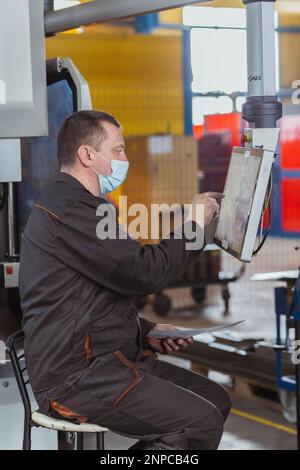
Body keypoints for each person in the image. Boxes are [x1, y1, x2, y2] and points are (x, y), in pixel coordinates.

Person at [19, 110, 231, 450]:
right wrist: (194, 227)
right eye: (118, 150)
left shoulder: (84, 206)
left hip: (106, 360)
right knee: (200, 423)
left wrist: (146, 333)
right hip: (76, 376)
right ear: (87, 155)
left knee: (214, 400)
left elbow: (97, 297)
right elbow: (145, 271)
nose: (125, 159)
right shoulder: (71, 211)